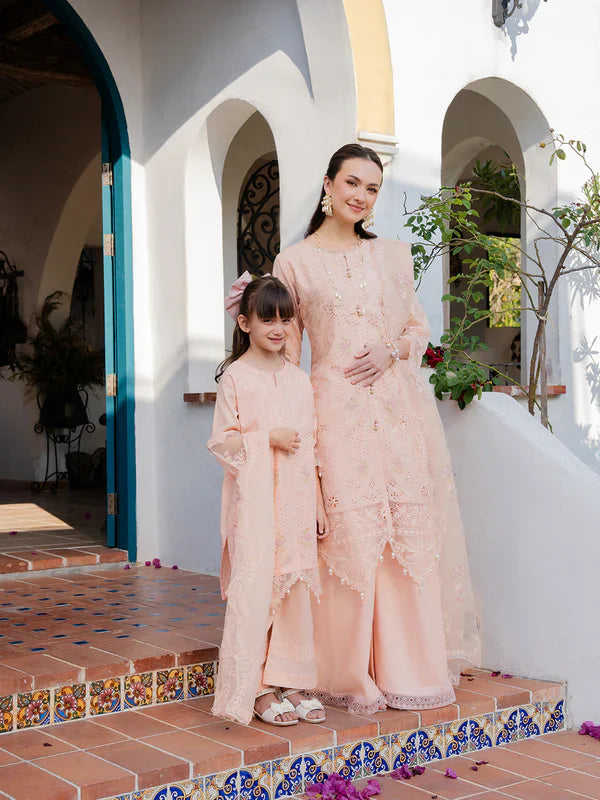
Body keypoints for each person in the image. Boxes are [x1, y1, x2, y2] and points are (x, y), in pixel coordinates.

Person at [273, 143, 481, 715]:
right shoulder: (294, 263)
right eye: (352, 183)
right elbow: (288, 360)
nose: (361, 197)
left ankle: (410, 668)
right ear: (327, 184)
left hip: (396, 414)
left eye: (372, 189)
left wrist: (391, 351)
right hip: (334, 416)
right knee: (350, 535)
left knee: (404, 533)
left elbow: (417, 330)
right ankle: (348, 672)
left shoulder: (391, 255)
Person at [207, 273, 327, 726]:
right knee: (257, 587)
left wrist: (317, 504)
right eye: (268, 319)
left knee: (292, 589)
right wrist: (267, 439)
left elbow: (311, 445)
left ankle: (289, 680)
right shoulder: (235, 378)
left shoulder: (298, 380)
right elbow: (222, 443)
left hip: (295, 501)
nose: (279, 329)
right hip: (255, 506)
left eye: (285, 319)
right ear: (245, 324)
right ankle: (255, 685)